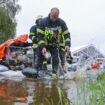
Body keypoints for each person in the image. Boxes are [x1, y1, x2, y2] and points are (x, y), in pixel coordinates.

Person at [37, 7, 71, 75]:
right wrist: (43, 47)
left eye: (56, 17)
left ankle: (54, 73)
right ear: (50, 13)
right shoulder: (43, 22)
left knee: (56, 58)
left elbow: (67, 34)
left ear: (58, 15)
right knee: (39, 56)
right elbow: (40, 36)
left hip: (54, 44)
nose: (54, 19)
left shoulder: (61, 22)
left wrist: (67, 45)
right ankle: (39, 72)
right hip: (44, 44)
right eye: (53, 17)